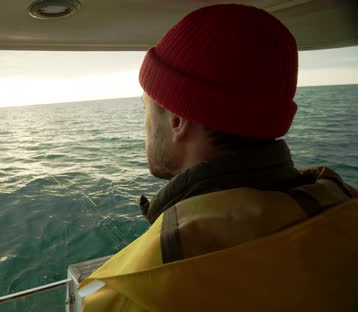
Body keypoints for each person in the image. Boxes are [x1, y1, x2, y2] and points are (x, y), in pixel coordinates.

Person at [77, 4, 358, 311]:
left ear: (176, 120)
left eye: (145, 108)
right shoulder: (345, 211)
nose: (143, 124)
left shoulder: (133, 294)